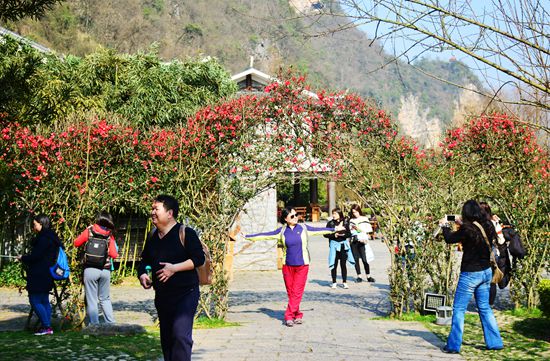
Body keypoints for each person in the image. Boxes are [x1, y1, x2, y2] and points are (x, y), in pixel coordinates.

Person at [245, 206, 344, 327]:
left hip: (302, 265)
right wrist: (249, 237)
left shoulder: (303, 228)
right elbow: (265, 235)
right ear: (286, 219)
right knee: (291, 292)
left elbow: (320, 230)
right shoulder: (281, 231)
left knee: (297, 292)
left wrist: (334, 228)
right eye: (292, 216)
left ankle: (288, 316)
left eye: (296, 215)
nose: (295, 217)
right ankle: (297, 314)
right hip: (287, 266)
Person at [138, 195, 205, 361]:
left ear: (170, 213)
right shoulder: (153, 236)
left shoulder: (186, 233)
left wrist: (174, 268)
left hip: (185, 294)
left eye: (156, 209)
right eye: (152, 209)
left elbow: (199, 258)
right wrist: (143, 274)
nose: (152, 212)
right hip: (162, 296)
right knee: (167, 339)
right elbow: (144, 260)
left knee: (180, 335)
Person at [439, 200, 503, 354]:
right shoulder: (487, 225)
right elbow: (468, 225)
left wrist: (444, 225)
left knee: (459, 309)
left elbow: (449, 238)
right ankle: (495, 343)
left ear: (466, 213)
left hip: (470, 274)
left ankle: (453, 345)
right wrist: (453, 218)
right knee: (485, 308)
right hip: (486, 272)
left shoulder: (467, 229)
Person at [17, 214, 62, 335]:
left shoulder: (43, 239)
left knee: (35, 300)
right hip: (48, 272)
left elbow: (36, 256)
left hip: (39, 273)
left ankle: (46, 326)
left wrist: (23, 258)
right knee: (44, 300)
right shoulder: (52, 237)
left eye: (35, 224)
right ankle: (47, 326)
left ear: (41, 224)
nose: (33, 226)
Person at [74, 211, 119, 325]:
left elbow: (76, 243)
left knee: (92, 299)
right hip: (105, 270)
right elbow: (114, 254)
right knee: (105, 298)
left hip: (90, 269)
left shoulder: (89, 231)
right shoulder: (109, 234)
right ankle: (111, 323)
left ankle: (94, 325)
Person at [324, 207, 354, 289]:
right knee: (334, 264)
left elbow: (349, 234)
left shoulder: (345, 222)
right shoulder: (330, 223)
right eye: (333, 213)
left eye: (335, 214)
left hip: (343, 245)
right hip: (334, 245)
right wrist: (334, 235)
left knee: (343, 264)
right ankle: (334, 282)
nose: (333, 215)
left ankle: (344, 282)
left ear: (339, 214)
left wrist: (343, 235)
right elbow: (325, 234)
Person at [348, 204, 375, 283]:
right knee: (356, 259)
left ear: (359, 211)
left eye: (356, 212)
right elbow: (350, 231)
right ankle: (359, 276)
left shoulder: (364, 219)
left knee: (364, 259)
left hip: (362, 241)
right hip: (354, 241)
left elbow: (368, 230)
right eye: (353, 212)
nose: (355, 214)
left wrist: (361, 231)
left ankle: (368, 276)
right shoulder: (351, 220)